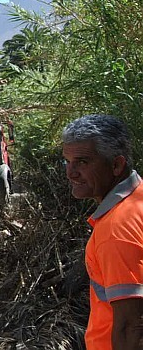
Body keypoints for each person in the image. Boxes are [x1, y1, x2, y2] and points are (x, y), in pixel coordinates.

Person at [62, 114, 143, 350]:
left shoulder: (117, 228)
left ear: (116, 165)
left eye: (82, 162)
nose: (71, 173)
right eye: (67, 161)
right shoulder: (136, 200)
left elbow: (133, 326)